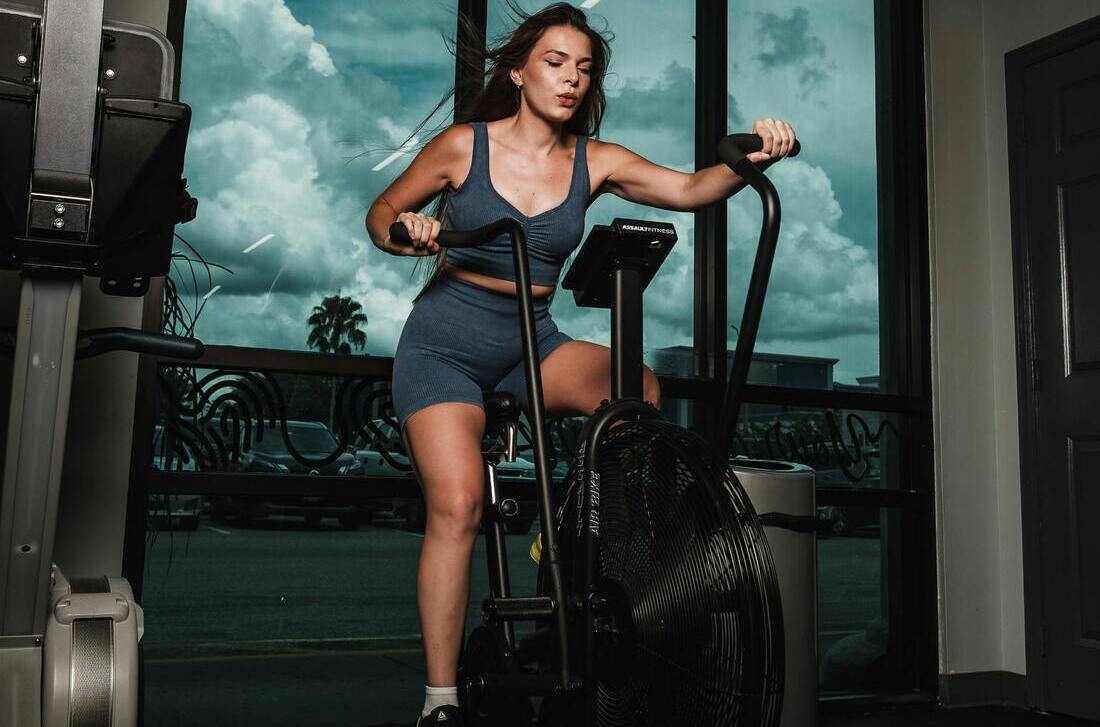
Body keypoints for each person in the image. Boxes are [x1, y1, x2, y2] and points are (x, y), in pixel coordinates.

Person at [365, 4, 796, 724]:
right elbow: (381, 210)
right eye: (556, 62)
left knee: (638, 389)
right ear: (518, 70)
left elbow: (690, 190)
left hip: (532, 340)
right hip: (444, 342)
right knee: (460, 504)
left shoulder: (595, 160)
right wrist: (405, 230)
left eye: (584, 67)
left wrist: (750, 156)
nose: (571, 78)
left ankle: (573, 530)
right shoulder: (462, 146)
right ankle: (439, 701)